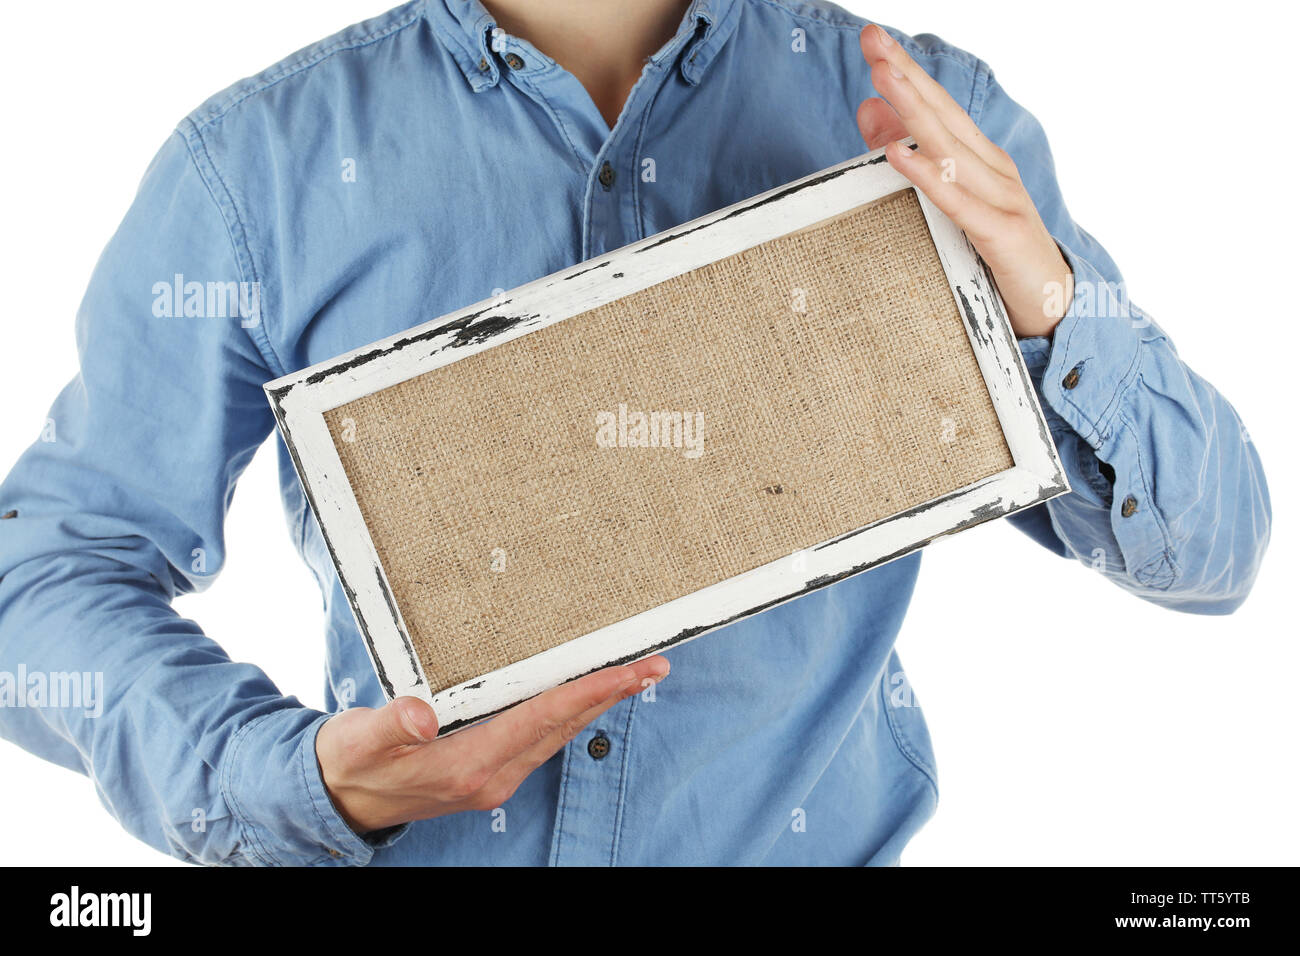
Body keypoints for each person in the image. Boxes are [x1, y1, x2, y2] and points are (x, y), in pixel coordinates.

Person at [0, 0, 1271, 866]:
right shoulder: (257, 167)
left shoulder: (918, 108)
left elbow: (1217, 547)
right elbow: (41, 581)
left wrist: (1045, 302)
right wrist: (303, 782)